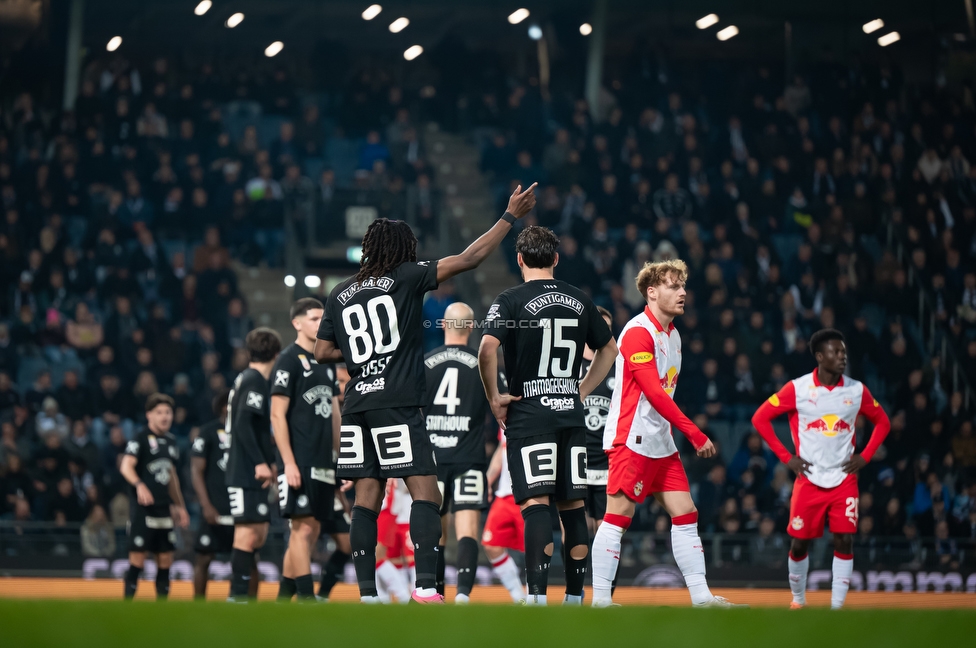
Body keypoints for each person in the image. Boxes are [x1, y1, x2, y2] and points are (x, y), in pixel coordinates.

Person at [314, 183, 538, 604]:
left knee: (366, 499)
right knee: (427, 494)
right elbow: (471, 259)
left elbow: (322, 349)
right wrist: (509, 217)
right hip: (398, 404)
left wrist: (365, 356)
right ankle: (426, 589)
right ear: (403, 249)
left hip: (358, 404)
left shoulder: (340, 292)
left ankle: (367, 596)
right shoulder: (407, 275)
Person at [479, 225, 617, 605]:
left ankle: (537, 597)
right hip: (569, 417)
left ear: (520, 259)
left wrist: (495, 398)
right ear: (556, 259)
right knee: (573, 507)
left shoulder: (509, 299)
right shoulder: (580, 298)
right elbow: (609, 349)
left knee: (536, 505)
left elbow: (487, 350)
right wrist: (582, 390)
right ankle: (574, 598)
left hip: (529, 417)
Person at [590, 259, 741, 608]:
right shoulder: (638, 331)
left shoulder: (672, 335)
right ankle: (599, 601)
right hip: (632, 437)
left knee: (686, 512)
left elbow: (663, 395)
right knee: (618, 517)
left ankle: (702, 599)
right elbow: (654, 393)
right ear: (652, 291)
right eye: (674, 285)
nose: (683, 292)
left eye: (683, 285)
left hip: (659, 441)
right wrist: (695, 433)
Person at [751, 328, 891, 610]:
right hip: (809, 480)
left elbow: (883, 422)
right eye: (835, 352)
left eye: (843, 352)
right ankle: (798, 601)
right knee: (800, 544)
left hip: (844, 479)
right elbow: (760, 418)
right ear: (819, 356)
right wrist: (786, 457)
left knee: (844, 539)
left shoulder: (856, 390)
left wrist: (864, 457)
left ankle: (836, 608)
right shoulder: (798, 389)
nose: (842, 357)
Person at [272, 298, 342, 601]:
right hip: (299, 460)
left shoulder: (326, 361)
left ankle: (282, 602)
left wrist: (343, 457)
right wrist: (288, 463)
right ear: (297, 323)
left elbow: (335, 414)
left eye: (322, 318)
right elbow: (276, 414)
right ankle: (306, 598)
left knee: (310, 532)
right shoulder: (288, 360)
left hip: (324, 461)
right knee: (300, 530)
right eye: (314, 318)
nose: (320, 323)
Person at [423, 301, 492, 603]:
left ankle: (435, 593)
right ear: (471, 327)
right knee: (468, 529)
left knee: (434, 532)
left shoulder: (424, 362)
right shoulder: (482, 364)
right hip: (470, 458)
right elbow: (499, 407)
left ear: (443, 325)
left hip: (432, 460)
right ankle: (463, 595)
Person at [226, 327, 282, 602]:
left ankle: (241, 594)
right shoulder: (255, 380)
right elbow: (243, 425)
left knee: (256, 534)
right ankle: (237, 596)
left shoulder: (247, 378)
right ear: (276, 354)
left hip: (249, 468)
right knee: (247, 535)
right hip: (244, 469)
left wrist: (269, 461)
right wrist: (261, 462)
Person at [119, 393, 190, 600]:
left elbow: (172, 477)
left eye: (168, 412)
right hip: (143, 510)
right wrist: (139, 484)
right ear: (149, 415)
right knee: (138, 559)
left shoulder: (171, 441)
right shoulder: (139, 438)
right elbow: (126, 466)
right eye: (159, 412)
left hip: (164, 510)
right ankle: (126, 606)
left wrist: (180, 505)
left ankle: (161, 610)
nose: (165, 416)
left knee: (166, 559)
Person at [190, 390, 257, 599]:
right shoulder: (208, 432)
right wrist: (206, 505)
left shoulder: (247, 432)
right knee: (204, 558)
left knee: (250, 560)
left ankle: (253, 608)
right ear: (222, 407)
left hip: (241, 507)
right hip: (215, 507)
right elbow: (196, 471)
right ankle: (198, 606)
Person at [317, 364, 353, 600]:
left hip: (333, 489)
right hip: (314, 484)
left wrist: (341, 495)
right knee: (305, 539)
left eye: (344, 382)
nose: (341, 387)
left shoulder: (351, 413)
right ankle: (289, 596)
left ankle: (322, 595)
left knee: (347, 544)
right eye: (338, 382)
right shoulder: (321, 409)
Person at [482, 429, 528, 603]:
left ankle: (535, 596)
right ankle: (518, 596)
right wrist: (488, 479)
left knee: (534, 549)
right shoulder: (503, 418)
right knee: (491, 545)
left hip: (528, 494)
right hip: (504, 494)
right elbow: (503, 449)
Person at [581, 306, 616, 532]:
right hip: (576, 461)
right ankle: (572, 570)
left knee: (607, 533)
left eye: (608, 329)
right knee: (575, 531)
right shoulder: (567, 366)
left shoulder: (618, 369)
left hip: (608, 464)